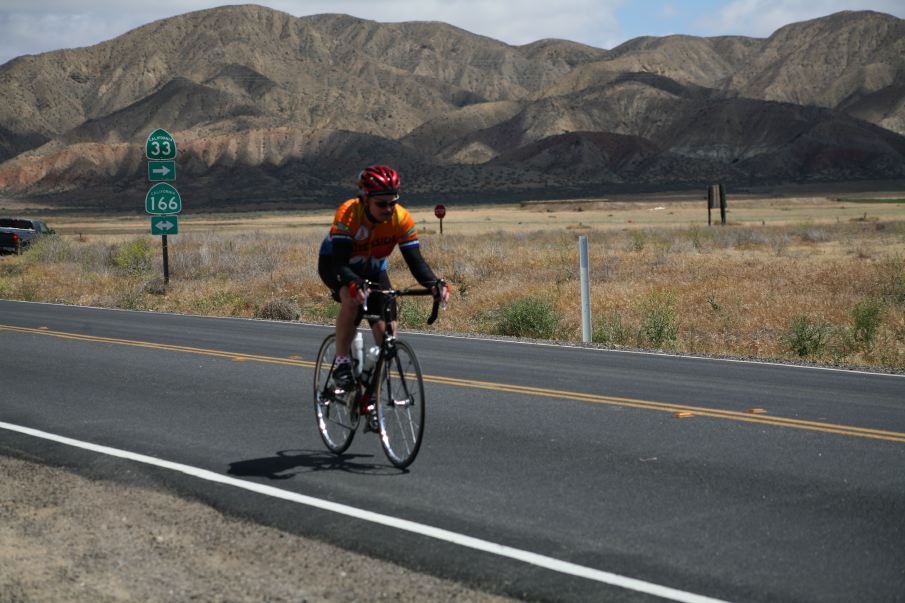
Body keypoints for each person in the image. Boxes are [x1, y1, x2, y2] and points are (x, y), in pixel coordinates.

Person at [318, 165, 449, 393]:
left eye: (393, 202)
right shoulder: (349, 213)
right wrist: (352, 282)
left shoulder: (401, 218)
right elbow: (340, 263)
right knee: (351, 298)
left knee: (388, 334)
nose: (389, 209)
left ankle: (373, 398)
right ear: (365, 199)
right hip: (336, 264)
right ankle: (341, 362)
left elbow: (416, 262)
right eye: (381, 204)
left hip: (374, 269)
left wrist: (434, 284)